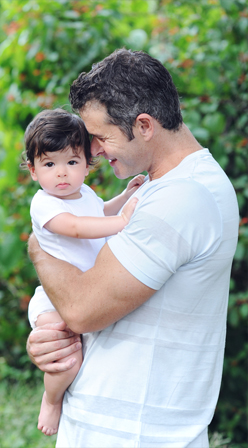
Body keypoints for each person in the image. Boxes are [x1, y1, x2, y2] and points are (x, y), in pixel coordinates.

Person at [25, 49, 238, 446]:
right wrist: (49, 339)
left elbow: (83, 309)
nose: (94, 152)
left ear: (144, 125)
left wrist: (39, 248)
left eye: (101, 137)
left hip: (137, 436)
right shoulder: (163, 189)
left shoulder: (183, 197)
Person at [22, 108, 143, 436]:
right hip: (52, 298)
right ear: (33, 171)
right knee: (65, 353)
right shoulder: (44, 204)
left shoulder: (84, 194)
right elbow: (75, 227)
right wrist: (121, 223)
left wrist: (125, 198)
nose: (61, 173)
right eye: (49, 164)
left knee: (78, 346)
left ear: (87, 166)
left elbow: (96, 213)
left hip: (83, 290)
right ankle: (51, 398)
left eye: (72, 162)